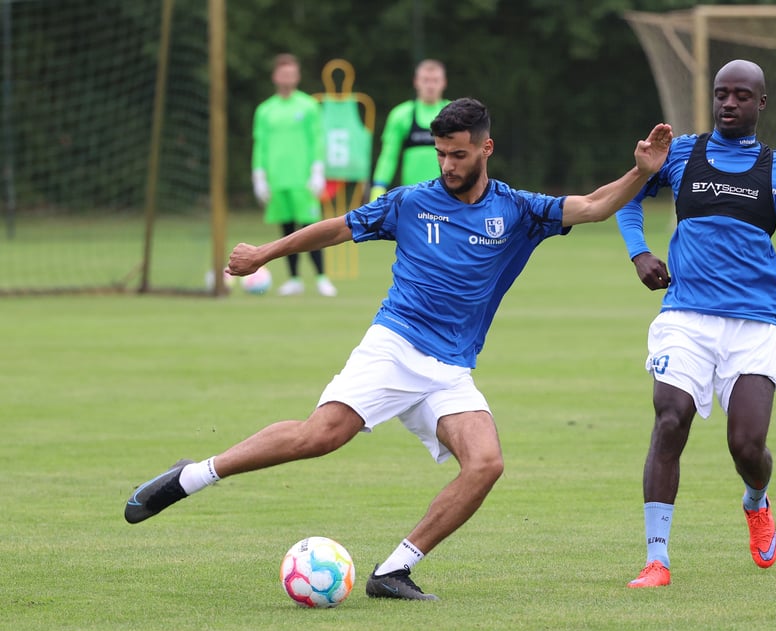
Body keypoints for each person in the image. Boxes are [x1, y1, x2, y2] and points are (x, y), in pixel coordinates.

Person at [125, 98, 673, 601]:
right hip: (395, 347)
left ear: (486, 148)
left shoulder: (518, 211)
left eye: (458, 154)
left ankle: (393, 570)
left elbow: (597, 205)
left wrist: (640, 174)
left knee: (485, 464)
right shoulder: (411, 202)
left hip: (450, 370)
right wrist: (265, 253)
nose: (447, 165)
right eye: (440, 154)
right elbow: (336, 229)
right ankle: (191, 476)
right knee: (320, 437)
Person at [616, 60, 776, 588]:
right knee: (670, 418)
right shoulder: (679, 154)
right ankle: (657, 559)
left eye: (742, 95)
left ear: (761, 103)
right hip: (685, 317)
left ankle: (756, 500)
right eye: (722, 94)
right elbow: (631, 199)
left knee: (746, 446)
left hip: (752, 324)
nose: (729, 103)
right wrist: (639, 253)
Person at [251, 53, 337, 297]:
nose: (287, 77)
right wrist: (259, 175)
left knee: (311, 229)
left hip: (303, 179)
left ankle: (322, 277)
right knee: (286, 230)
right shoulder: (265, 110)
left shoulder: (308, 106)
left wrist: (318, 169)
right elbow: (260, 144)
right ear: (275, 76)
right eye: (283, 73)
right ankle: (294, 279)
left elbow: (317, 140)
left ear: (297, 76)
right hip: (278, 179)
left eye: (291, 73)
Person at [368, 59, 450, 201]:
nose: (430, 85)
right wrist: (378, 186)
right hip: (412, 197)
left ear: (444, 83)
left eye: (435, 80)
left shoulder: (454, 114)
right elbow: (388, 157)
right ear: (416, 82)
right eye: (425, 80)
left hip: (448, 195)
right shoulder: (400, 115)